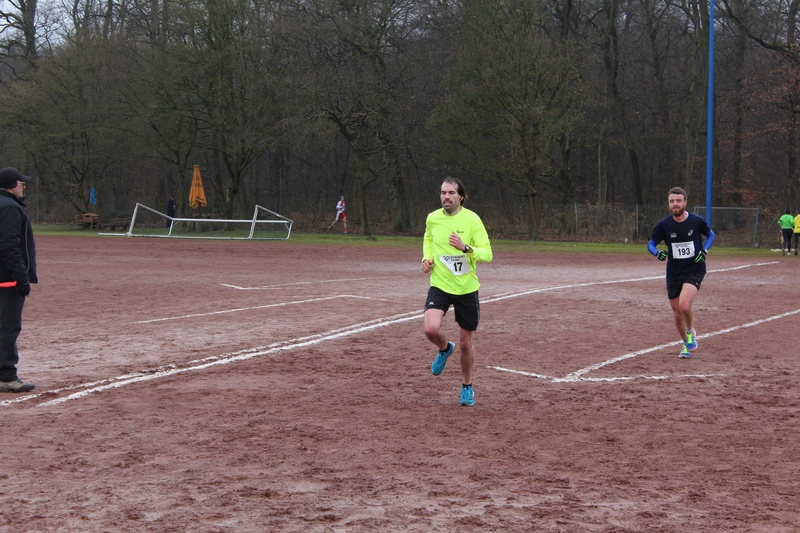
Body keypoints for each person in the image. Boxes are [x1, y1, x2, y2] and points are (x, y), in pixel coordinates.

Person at [421, 177, 492, 406]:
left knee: (465, 344)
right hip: (440, 284)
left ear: (461, 196)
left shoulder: (472, 219)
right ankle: (444, 348)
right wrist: (426, 258)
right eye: (443, 193)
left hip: (466, 288)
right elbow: (428, 240)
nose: (446, 197)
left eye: (451, 193)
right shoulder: (433, 218)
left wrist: (466, 248)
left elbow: (487, 254)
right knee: (430, 329)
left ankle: (467, 387)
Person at [648, 187, 715, 359]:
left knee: (684, 306)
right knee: (677, 315)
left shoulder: (696, 221)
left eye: (678, 201)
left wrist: (705, 251)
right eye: (672, 201)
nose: (675, 204)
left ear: (685, 202)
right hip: (674, 272)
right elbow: (651, 244)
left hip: (694, 269)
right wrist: (657, 253)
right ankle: (686, 343)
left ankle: (690, 330)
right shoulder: (664, 225)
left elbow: (711, 235)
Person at [0, 167, 37, 392]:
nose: (23, 186)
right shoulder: (10, 207)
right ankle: (6, 376)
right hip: (7, 278)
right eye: (21, 183)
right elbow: (9, 244)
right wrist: (21, 276)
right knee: (8, 326)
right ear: (12, 184)